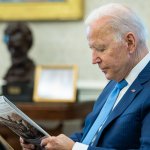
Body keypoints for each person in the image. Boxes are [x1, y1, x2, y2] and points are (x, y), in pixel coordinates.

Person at [20, 3, 150, 150]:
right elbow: (89, 137)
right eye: (92, 49)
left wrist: (74, 149)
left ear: (130, 42)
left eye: (101, 48)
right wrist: (46, 144)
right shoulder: (116, 82)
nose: (93, 60)